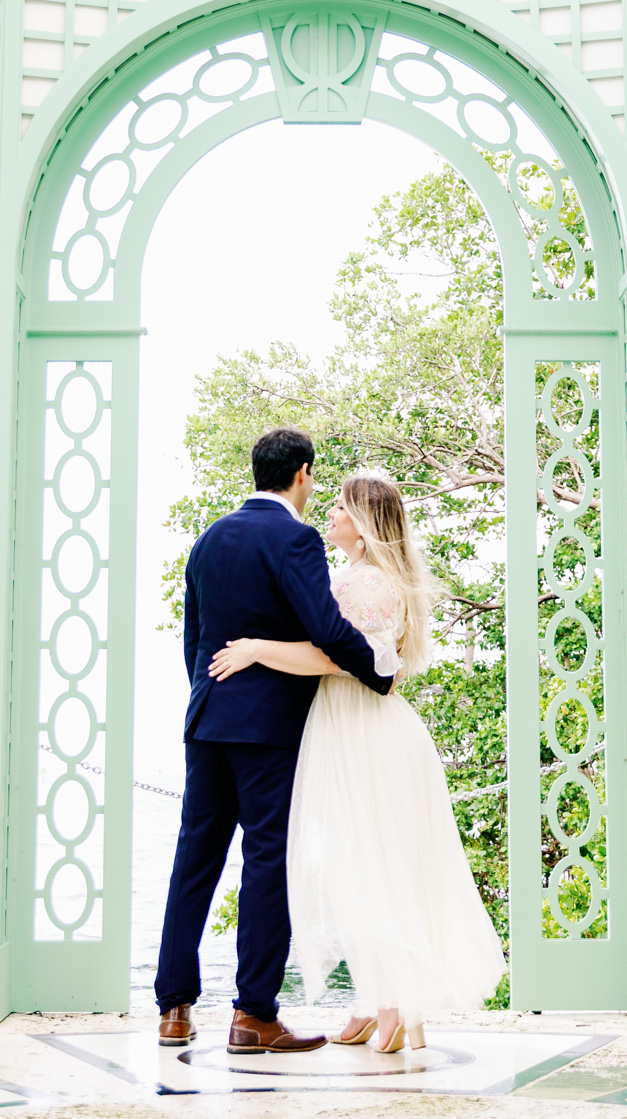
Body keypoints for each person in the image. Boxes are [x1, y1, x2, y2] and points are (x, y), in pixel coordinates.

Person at [209, 469, 504, 1054]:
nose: (332, 516)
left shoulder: (365, 584)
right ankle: (375, 1001)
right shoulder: (360, 576)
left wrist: (256, 649)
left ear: (364, 526)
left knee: (373, 866)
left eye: (343, 509)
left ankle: (392, 1006)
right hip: (352, 728)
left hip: (364, 733)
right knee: (360, 864)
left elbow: (340, 660)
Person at [154, 426, 389, 1053]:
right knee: (267, 862)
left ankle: (173, 1008)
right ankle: (253, 1014)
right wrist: (378, 674)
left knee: (194, 858)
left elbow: (194, 641)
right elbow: (326, 626)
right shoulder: (294, 538)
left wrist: (213, 703)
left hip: (206, 722)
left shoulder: (208, 539)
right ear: (303, 474)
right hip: (270, 729)